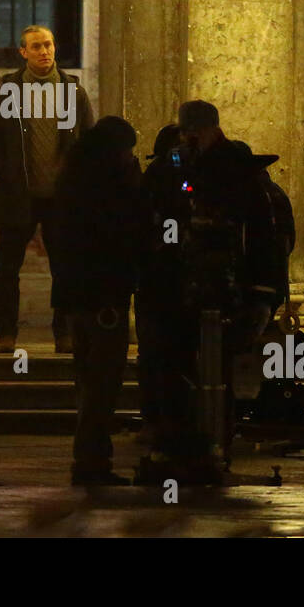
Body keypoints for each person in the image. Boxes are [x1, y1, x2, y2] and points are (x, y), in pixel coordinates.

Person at [139, 101, 284, 480]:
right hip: (177, 288)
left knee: (218, 372)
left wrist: (263, 293)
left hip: (223, 289)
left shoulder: (238, 169)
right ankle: (182, 446)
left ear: (212, 130)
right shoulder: (171, 166)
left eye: (196, 133)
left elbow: (264, 237)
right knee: (176, 370)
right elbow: (153, 214)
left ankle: (215, 445)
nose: (190, 140)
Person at [0, 25, 94, 354]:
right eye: (37, 46)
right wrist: (7, 173)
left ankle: (64, 332)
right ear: (23, 52)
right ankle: (6, 334)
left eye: (48, 45)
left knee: (65, 268)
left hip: (61, 199)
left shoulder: (73, 91)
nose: (44, 51)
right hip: (19, 194)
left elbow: (88, 140)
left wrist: (76, 181)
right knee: (8, 269)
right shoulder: (8, 90)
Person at [50, 116, 141, 485]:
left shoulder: (71, 184)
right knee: (103, 383)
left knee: (88, 381)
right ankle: (92, 462)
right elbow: (123, 237)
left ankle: (88, 459)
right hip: (104, 300)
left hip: (75, 299)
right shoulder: (109, 191)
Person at [134, 124, 185, 445]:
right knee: (155, 354)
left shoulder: (158, 179)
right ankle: (157, 417)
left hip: (167, 278)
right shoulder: (155, 180)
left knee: (164, 354)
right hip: (158, 279)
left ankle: (166, 418)